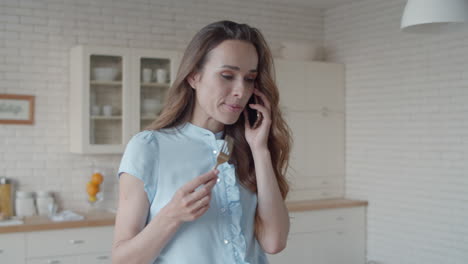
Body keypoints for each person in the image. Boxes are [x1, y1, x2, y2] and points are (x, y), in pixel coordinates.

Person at [112, 20, 292, 264]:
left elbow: (274, 242)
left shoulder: (250, 147)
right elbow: (122, 260)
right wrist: (172, 215)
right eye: (227, 75)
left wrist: (260, 150)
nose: (241, 90)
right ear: (194, 76)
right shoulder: (148, 147)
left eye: (249, 79)